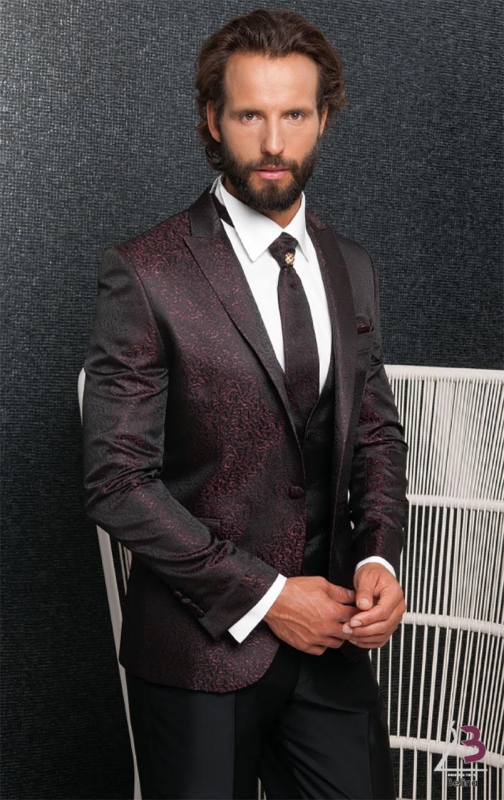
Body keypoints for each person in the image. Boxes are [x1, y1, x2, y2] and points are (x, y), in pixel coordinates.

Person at [83, 8, 408, 799]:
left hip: (332, 644)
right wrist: (268, 598)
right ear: (211, 119)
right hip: (198, 651)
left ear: (323, 118)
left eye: (293, 115)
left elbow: (374, 433)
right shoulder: (147, 272)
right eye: (249, 116)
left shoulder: (352, 266)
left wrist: (378, 555)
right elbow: (116, 482)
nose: (272, 143)